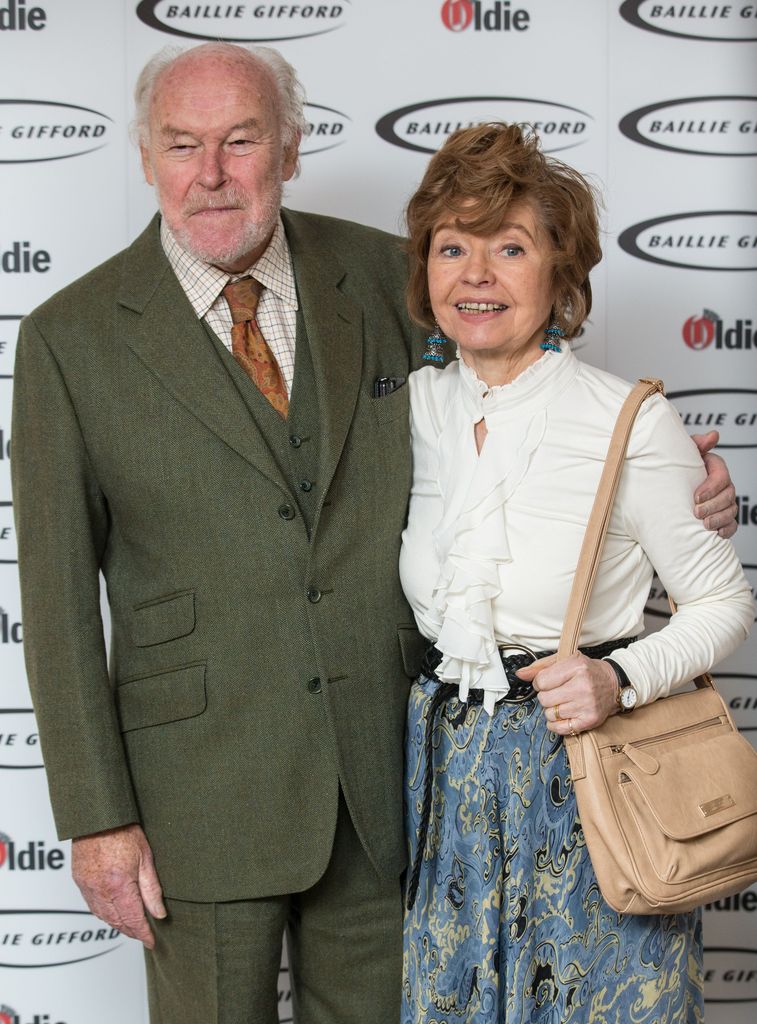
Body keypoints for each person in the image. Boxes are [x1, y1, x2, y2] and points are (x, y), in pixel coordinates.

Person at [9, 44, 738, 1024]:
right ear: (145, 156)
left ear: (289, 149)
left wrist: (680, 485)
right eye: (182, 145)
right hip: (197, 797)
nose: (211, 173)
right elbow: (55, 608)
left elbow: (514, 386)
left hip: (390, 787)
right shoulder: (70, 337)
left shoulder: (387, 271)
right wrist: (97, 820)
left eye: (241, 141)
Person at [399, 123, 754, 1024]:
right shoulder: (410, 408)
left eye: (510, 248)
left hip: (588, 778)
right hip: (446, 781)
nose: (476, 275)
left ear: (561, 276)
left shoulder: (626, 420)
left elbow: (723, 601)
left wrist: (616, 678)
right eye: (453, 248)